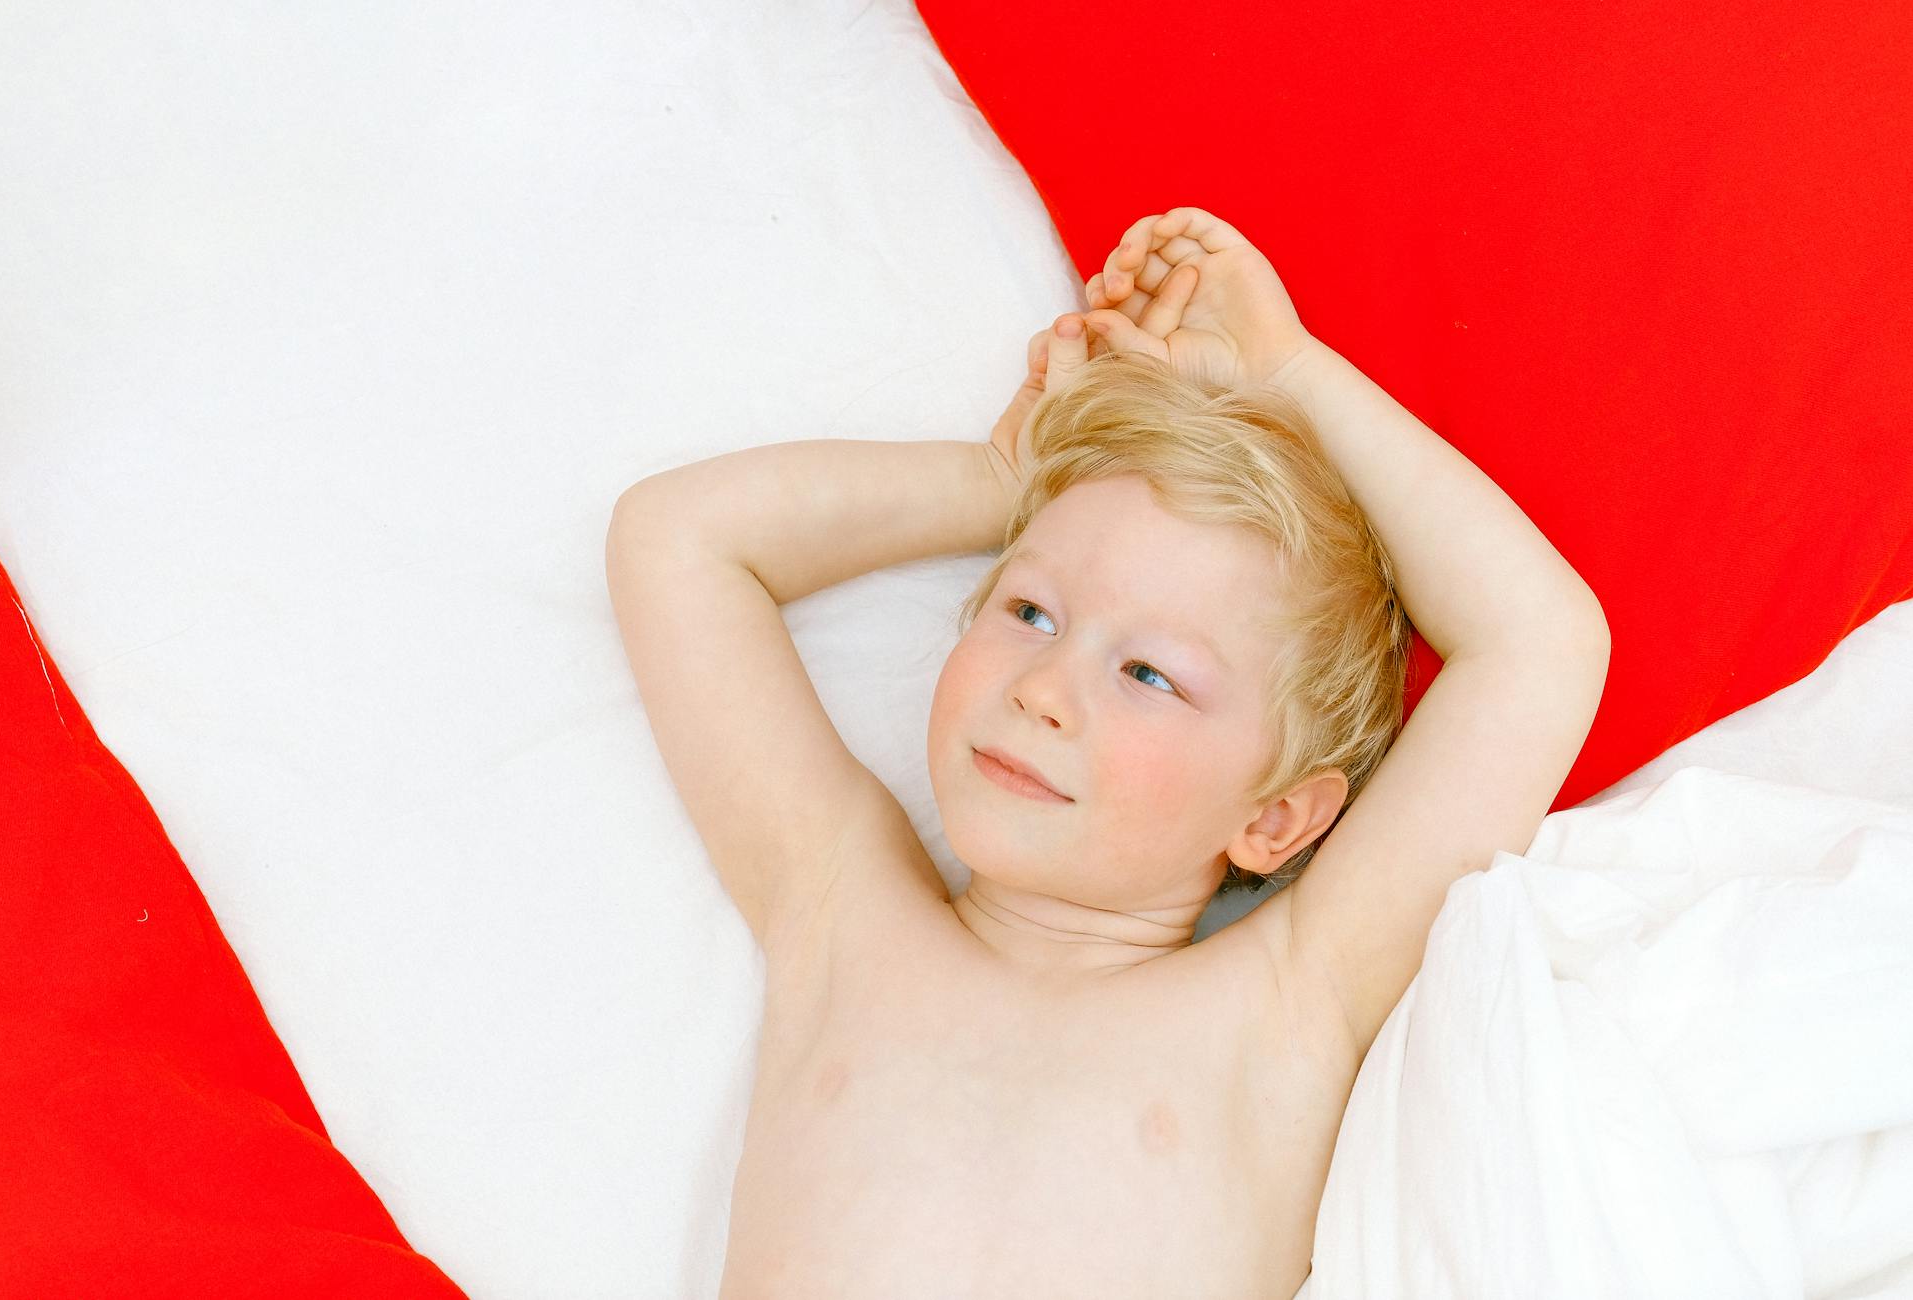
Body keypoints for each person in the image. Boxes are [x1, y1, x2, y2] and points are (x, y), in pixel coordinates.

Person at [606, 205, 1610, 1297]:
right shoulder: (842, 908)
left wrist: (1292, 374)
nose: (1043, 690)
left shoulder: (1290, 1004)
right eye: (1030, 609)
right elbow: (675, 542)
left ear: (1275, 817)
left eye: (1148, 675)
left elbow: (1538, 646)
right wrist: (1001, 482)